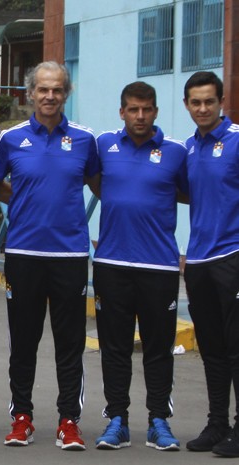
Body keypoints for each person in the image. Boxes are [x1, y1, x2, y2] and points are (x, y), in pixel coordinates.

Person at [0, 61, 98, 450]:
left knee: (70, 343)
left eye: (57, 89)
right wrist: (22, 200)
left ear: (66, 94)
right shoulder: (11, 139)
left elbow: (98, 184)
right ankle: (22, 418)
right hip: (23, 254)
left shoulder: (85, 140)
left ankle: (69, 421)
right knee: (24, 342)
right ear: (30, 93)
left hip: (69, 255)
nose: (50, 96)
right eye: (43, 89)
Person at [92, 82, 187, 451]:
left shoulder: (176, 152)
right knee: (115, 348)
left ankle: (158, 421)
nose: (140, 116)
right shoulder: (104, 146)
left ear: (156, 112)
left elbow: (189, 192)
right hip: (112, 264)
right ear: (122, 112)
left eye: (147, 109)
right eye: (133, 109)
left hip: (159, 267)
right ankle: (117, 419)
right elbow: (96, 184)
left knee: (158, 349)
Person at [182, 71, 239, 457]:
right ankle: (218, 423)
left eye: (209, 101)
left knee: (237, 347)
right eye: (196, 102)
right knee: (213, 349)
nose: (203, 108)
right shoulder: (188, 148)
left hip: (233, 256)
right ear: (187, 105)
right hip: (199, 260)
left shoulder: (236, 140)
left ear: (221, 102)